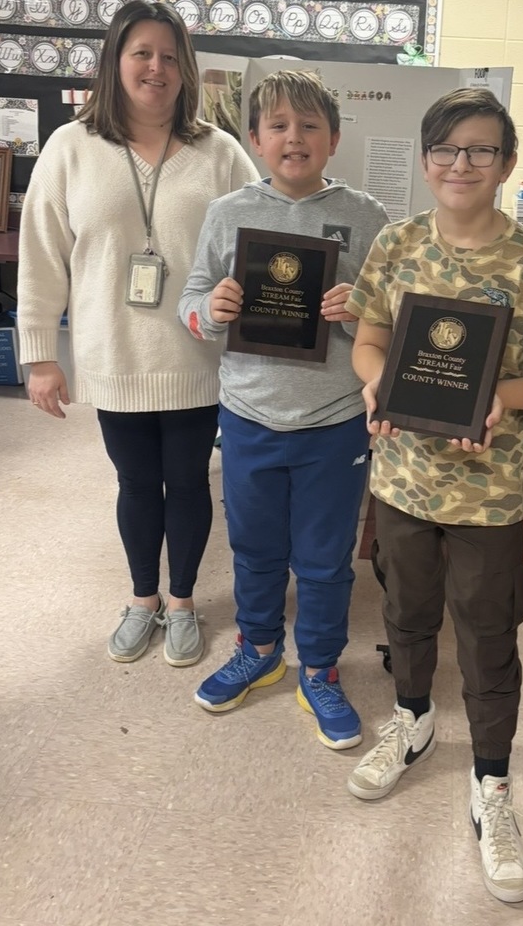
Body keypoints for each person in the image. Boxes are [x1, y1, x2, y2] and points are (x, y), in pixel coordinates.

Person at [344, 87, 523, 903]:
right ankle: (411, 721)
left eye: (480, 150)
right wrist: (376, 386)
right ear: (425, 157)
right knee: (404, 613)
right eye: (445, 148)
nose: (461, 164)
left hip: (488, 494)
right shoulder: (397, 243)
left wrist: (501, 398)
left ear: (507, 164)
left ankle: (493, 784)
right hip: (402, 478)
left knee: (487, 633)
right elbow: (369, 340)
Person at [17, 0, 257, 667]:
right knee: (134, 481)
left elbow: (260, 243)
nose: (158, 68)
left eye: (171, 56)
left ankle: (181, 602)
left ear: (185, 70)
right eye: (143, 53)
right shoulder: (72, 147)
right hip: (112, 350)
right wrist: (39, 354)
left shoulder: (220, 152)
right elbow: (42, 254)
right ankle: (142, 598)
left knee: (187, 480)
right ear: (114, 62)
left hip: (195, 353)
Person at [178, 70, 389, 750]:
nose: (293, 138)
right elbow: (192, 297)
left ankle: (320, 667)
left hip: (333, 422)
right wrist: (210, 311)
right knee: (255, 547)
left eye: (308, 126)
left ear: (333, 138)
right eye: (277, 127)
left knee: (326, 560)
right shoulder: (228, 211)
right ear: (255, 139)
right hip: (247, 417)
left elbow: (391, 324)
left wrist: (359, 311)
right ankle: (260, 647)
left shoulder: (368, 217)